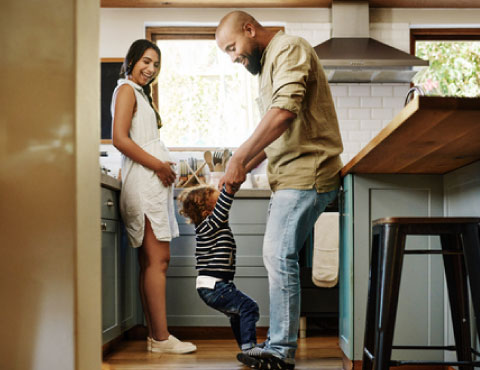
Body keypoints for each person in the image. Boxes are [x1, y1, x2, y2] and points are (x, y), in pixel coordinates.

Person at [215, 11, 344, 370]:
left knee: (276, 255)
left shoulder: (289, 48)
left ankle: (280, 351)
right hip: (288, 175)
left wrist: (240, 155)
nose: (233, 57)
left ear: (250, 29)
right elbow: (277, 129)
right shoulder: (269, 62)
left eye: (233, 48)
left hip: (308, 173)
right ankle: (277, 344)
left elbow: (284, 112)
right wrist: (245, 165)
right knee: (276, 256)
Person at [111, 39, 196, 354]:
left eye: (156, 64)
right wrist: (159, 165)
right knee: (158, 260)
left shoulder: (139, 95)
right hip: (145, 184)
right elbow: (120, 138)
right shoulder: (126, 91)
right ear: (132, 60)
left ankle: (156, 337)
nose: (150, 69)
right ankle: (160, 339)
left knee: (151, 261)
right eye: (146, 61)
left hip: (149, 182)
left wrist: (163, 165)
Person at [177, 184, 261, 352]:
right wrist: (229, 189)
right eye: (218, 203)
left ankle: (246, 348)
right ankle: (250, 347)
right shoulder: (209, 225)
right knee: (249, 307)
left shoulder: (210, 227)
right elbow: (224, 206)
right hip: (214, 286)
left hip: (216, 285)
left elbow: (221, 209)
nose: (223, 212)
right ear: (207, 214)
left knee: (237, 313)